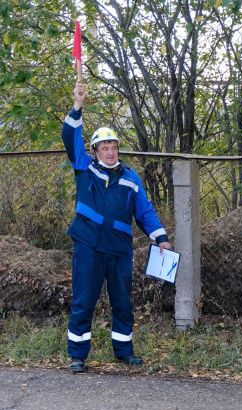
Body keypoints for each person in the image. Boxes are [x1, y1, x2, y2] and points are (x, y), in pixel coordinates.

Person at [62, 80, 171, 374]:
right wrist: (77, 105)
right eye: (104, 147)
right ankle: (78, 355)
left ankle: (124, 352)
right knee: (83, 301)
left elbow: (145, 212)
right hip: (88, 245)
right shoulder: (83, 167)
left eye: (114, 147)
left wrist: (161, 239)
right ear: (95, 150)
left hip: (120, 250)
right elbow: (69, 136)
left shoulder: (132, 178)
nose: (110, 152)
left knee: (123, 303)